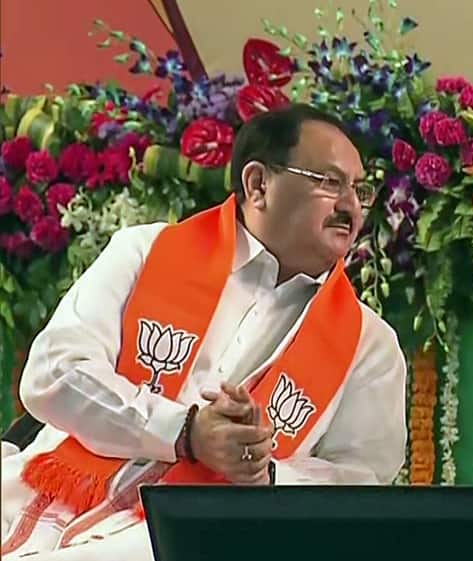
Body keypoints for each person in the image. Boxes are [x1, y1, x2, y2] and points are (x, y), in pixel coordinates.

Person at [1, 104, 408, 559]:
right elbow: (53, 373)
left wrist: (266, 473)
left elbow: (362, 484)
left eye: (360, 189)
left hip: (190, 537)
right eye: (329, 182)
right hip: (45, 491)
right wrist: (186, 431)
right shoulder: (145, 251)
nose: (350, 205)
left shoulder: (369, 346)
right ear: (258, 184)